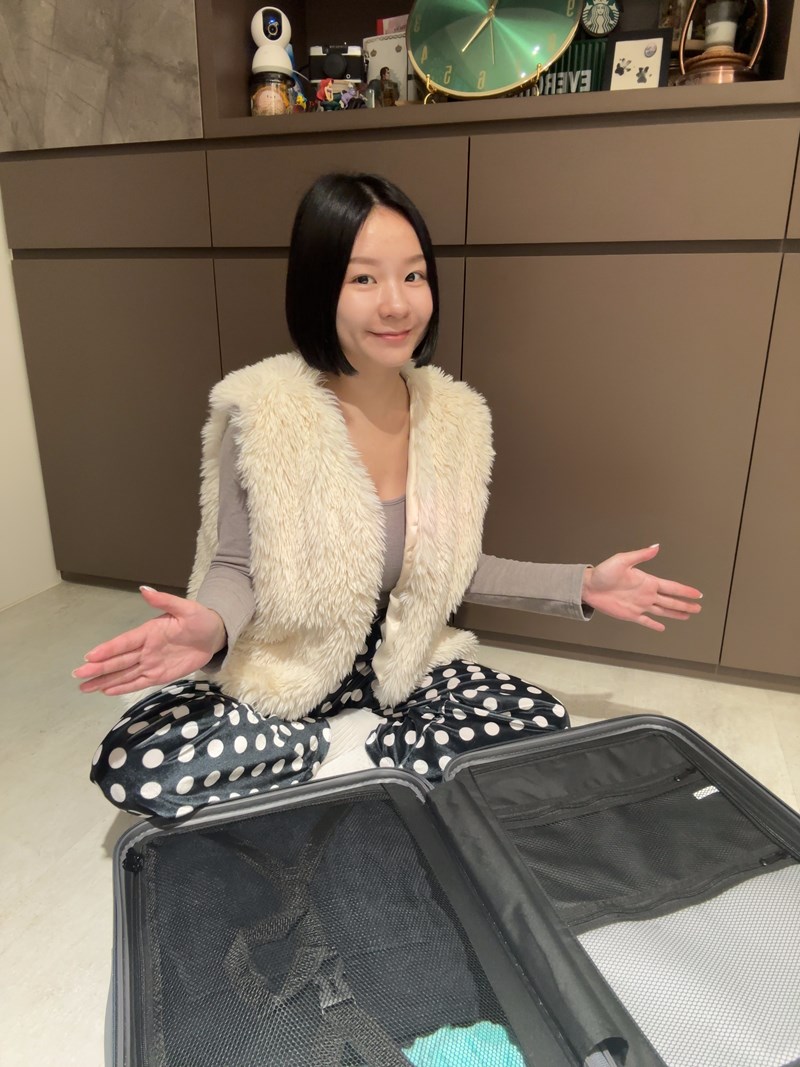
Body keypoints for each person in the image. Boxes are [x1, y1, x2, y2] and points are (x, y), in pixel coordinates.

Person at [76, 173, 702, 819]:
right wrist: (210, 628)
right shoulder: (264, 412)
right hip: (292, 659)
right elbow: (238, 563)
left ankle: (358, 758)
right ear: (319, 288)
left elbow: (453, 566)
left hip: (402, 657)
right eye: (364, 279)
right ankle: (340, 749)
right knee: (139, 760)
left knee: (537, 719)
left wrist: (585, 585)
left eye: (413, 275)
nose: (397, 304)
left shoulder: (455, 416)